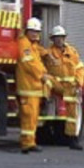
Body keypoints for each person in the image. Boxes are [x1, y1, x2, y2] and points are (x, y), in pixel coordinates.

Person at [44, 25, 84, 150]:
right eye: (56, 38)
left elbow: (79, 68)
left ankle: (72, 138)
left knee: (72, 114)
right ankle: (45, 97)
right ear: (53, 39)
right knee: (46, 80)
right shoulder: (49, 53)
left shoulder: (72, 52)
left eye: (61, 37)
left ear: (64, 38)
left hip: (70, 87)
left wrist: (78, 82)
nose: (59, 40)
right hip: (56, 86)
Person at [17, 17, 51, 154]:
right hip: (27, 88)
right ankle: (27, 143)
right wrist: (42, 75)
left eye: (37, 32)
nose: (35, 34)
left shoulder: (32, 45)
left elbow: (38, 53)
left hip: (34, 89)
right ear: (27, 31)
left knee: (33, 117)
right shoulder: (24, 44)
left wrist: (49, 54)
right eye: (32, 31)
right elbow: (29, 63)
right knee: (28, 116)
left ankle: (31, 141)